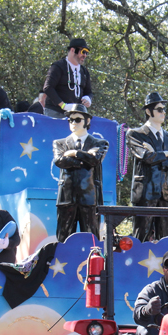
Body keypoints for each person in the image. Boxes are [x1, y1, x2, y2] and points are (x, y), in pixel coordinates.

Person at [126, 92, 168, 242]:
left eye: (164, 109)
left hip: (166, 192)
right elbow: (146, 157)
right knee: (141, 236)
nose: (163, 112)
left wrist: (156, 154)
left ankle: (167, 265)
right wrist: (166, 154)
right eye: (159, 109)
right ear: (148, 111)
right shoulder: (135, 134)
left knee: (166, 237)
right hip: (145, 191)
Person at [53, 104, 108, 242]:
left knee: (91, 238)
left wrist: (75, 153)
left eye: (77, 119)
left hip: (89, 197)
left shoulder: (100, 143)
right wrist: (84, 159)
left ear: (87, 121)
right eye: (70, 120)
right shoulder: (59, 143)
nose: (73, 123)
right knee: (63, 238)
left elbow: (95, 160)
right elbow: (59, 161)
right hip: (66, 197)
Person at [39, 38, 93, 118]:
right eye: (83, 52)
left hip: (75, 115)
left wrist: (88, 98)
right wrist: (63, 105)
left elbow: (89, 92)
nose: (85, 55)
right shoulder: (58, 66)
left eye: (86, 53)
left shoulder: (84, 72)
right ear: (72, 50)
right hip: (55, 112)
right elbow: (48, 87)